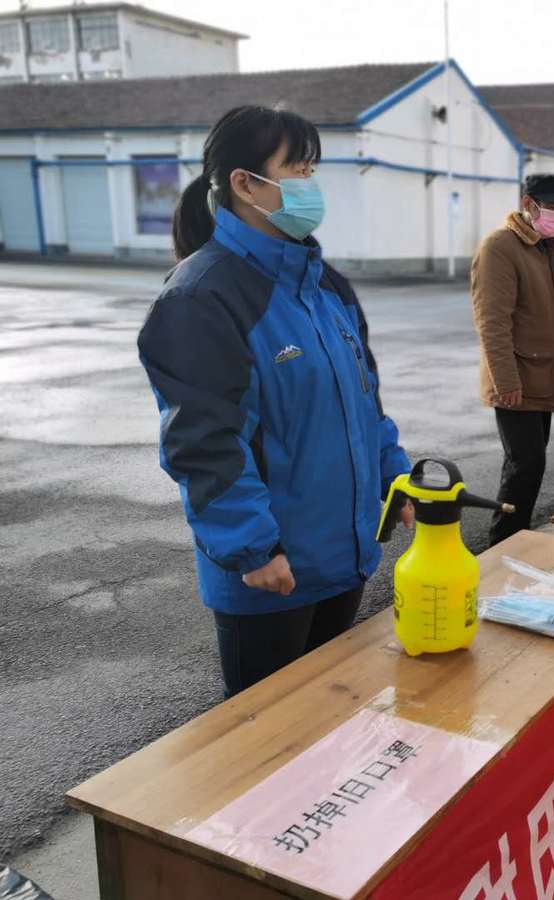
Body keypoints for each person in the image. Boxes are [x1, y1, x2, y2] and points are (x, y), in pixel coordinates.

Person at [139, 105, 413, 696]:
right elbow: (204, 442)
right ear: (245, 184)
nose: (312, 187)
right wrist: (253, 548)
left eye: (313, 170)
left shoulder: (325, 285)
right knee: (265, 752)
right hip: (271, 576)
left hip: (345, 558)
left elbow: (367, 407)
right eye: (298, 170)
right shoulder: (202, 297)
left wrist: (398, 477)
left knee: (328, 723)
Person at [470, 174, 554, 547]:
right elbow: (492, 321)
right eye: (553, 209)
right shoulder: (501, 246)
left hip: (542, 375)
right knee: (524, 465)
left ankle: (517, 538)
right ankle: (503, 543)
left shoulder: (546, 247)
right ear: (528, 203)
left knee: (530, 464)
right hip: (516, 377)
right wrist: (506, 381)